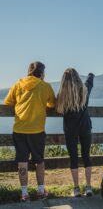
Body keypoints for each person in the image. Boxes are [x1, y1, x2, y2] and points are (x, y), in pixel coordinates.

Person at [4, 61, 56, 202]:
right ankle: (40, 191)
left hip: (19, 129)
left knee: (22, 162)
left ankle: (24, 194)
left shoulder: (18, 84)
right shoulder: (45, 86)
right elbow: (52, 104)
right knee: (39, 161)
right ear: (42, 73)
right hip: (37, 130)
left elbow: (8, 102)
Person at [56, 69, 94, 197]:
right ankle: (88, 187)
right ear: (78, 78)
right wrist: (90, 75)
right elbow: (90, 82)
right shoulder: (84, 90)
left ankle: (76, 189)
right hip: (85, 127)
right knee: (86, 157)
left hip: (70, 129)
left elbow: (59, 110)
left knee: (74, 158)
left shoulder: (62, 95)